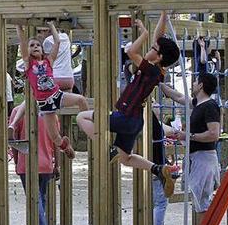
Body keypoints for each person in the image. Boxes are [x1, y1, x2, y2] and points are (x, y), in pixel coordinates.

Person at [76, 11, 181, 197]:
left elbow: (131, 51)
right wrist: (163, 16)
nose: (149, 48)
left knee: (81, 116)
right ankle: (157, 169)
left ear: (158, 57)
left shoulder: (150, 70)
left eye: (152, 48)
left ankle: (105, 147)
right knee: (126, 158)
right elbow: (159, 38)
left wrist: (144, 34)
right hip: (134, 121)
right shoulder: (158, 70)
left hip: (126, 116)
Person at [159, 73, 224, 225]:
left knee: (205, 208)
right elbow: (177, 96)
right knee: (201, 206)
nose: (192, 84)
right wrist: (159, 82)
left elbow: (214, 134)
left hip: (205, 159)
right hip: (197, 159)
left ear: (201, 85)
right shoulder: (198, 103)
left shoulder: (210, 106)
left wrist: (189, 135)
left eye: (195, 81)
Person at [14, 22, 88, 159]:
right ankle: (65, 147)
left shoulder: (49, 61)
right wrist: (19, 27)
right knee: (54, 136)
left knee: (81, 99)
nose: (35, 47)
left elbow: (58, 42)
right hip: (45, 103)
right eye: (32, 46)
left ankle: (86, 123)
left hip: (57, 95)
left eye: (38, 45)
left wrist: (52, 26)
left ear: (43, 50)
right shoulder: (29, 64)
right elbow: (23, 43)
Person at [9, 104, 57, 225]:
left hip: (27, 163)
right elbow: (56, 140)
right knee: (40, 198)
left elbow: (13, 141)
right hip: (47, 162)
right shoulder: (49, 111)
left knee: (35, 200)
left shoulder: (17, 111)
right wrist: (57, 164)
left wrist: (17, 162)